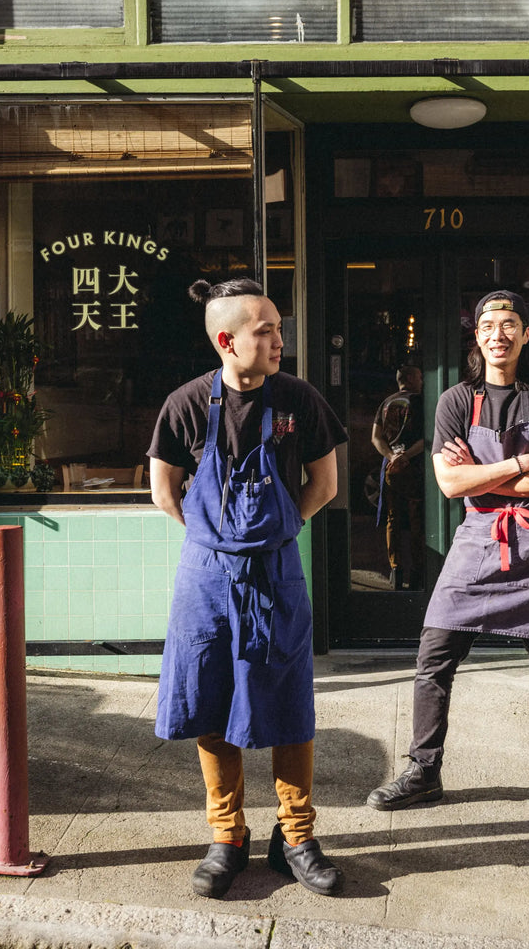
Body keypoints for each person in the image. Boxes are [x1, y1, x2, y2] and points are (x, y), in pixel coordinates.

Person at [149, 278, 349, 899]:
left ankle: (296, 837)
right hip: (206, 576)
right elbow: (164, 490)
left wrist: (278, 530)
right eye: (266, 331)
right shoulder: (186, 404)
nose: (279, 341)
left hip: (276, 569)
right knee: (210, 700)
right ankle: (227, 835)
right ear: (226, 340)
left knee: (288, 702)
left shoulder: (298, 399)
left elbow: (325, 485)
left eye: (279, 329)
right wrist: (218, 541)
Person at [365, 289, 529, 824]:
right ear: (477, 335)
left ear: (526, 334)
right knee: (434, 656)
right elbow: (449, 484)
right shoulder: (455, 400)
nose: (498, 334)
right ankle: (424, 771)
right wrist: (521, 463)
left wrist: (482, 474)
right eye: (488, 325)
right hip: (476, 538)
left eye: (509, 324)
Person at [370, 364, 425, 591]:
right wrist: (407, 456)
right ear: (410, 379)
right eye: (419, 377)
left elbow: (376, 437)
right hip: (413, 466)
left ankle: (396, 569)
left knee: (393, 519)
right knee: (416, 519)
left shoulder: (386, 403)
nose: (422, 381)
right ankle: (417, 571)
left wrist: (392, 456)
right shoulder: (419, 402)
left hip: (391, 468)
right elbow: (427, 437)